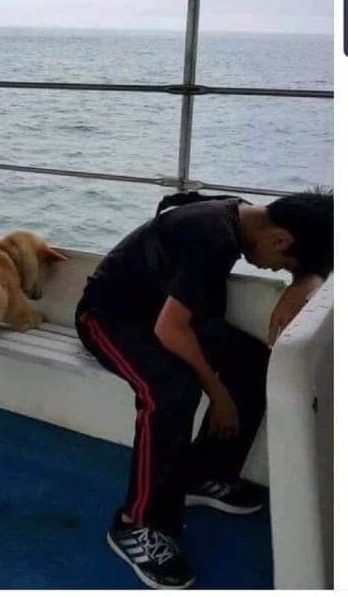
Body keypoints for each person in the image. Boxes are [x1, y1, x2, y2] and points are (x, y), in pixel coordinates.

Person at [75, 190, 333, 589]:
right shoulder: (212, 238)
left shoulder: (245, 215)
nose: (274, 272)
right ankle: (136, 523)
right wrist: (220, 396)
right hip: (110, 314)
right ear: (280, 239)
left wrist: (306, 278)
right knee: (170, 389)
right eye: (283, 267)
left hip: (161, 310)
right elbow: (168, 330)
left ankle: (199, 474)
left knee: (253, 364)